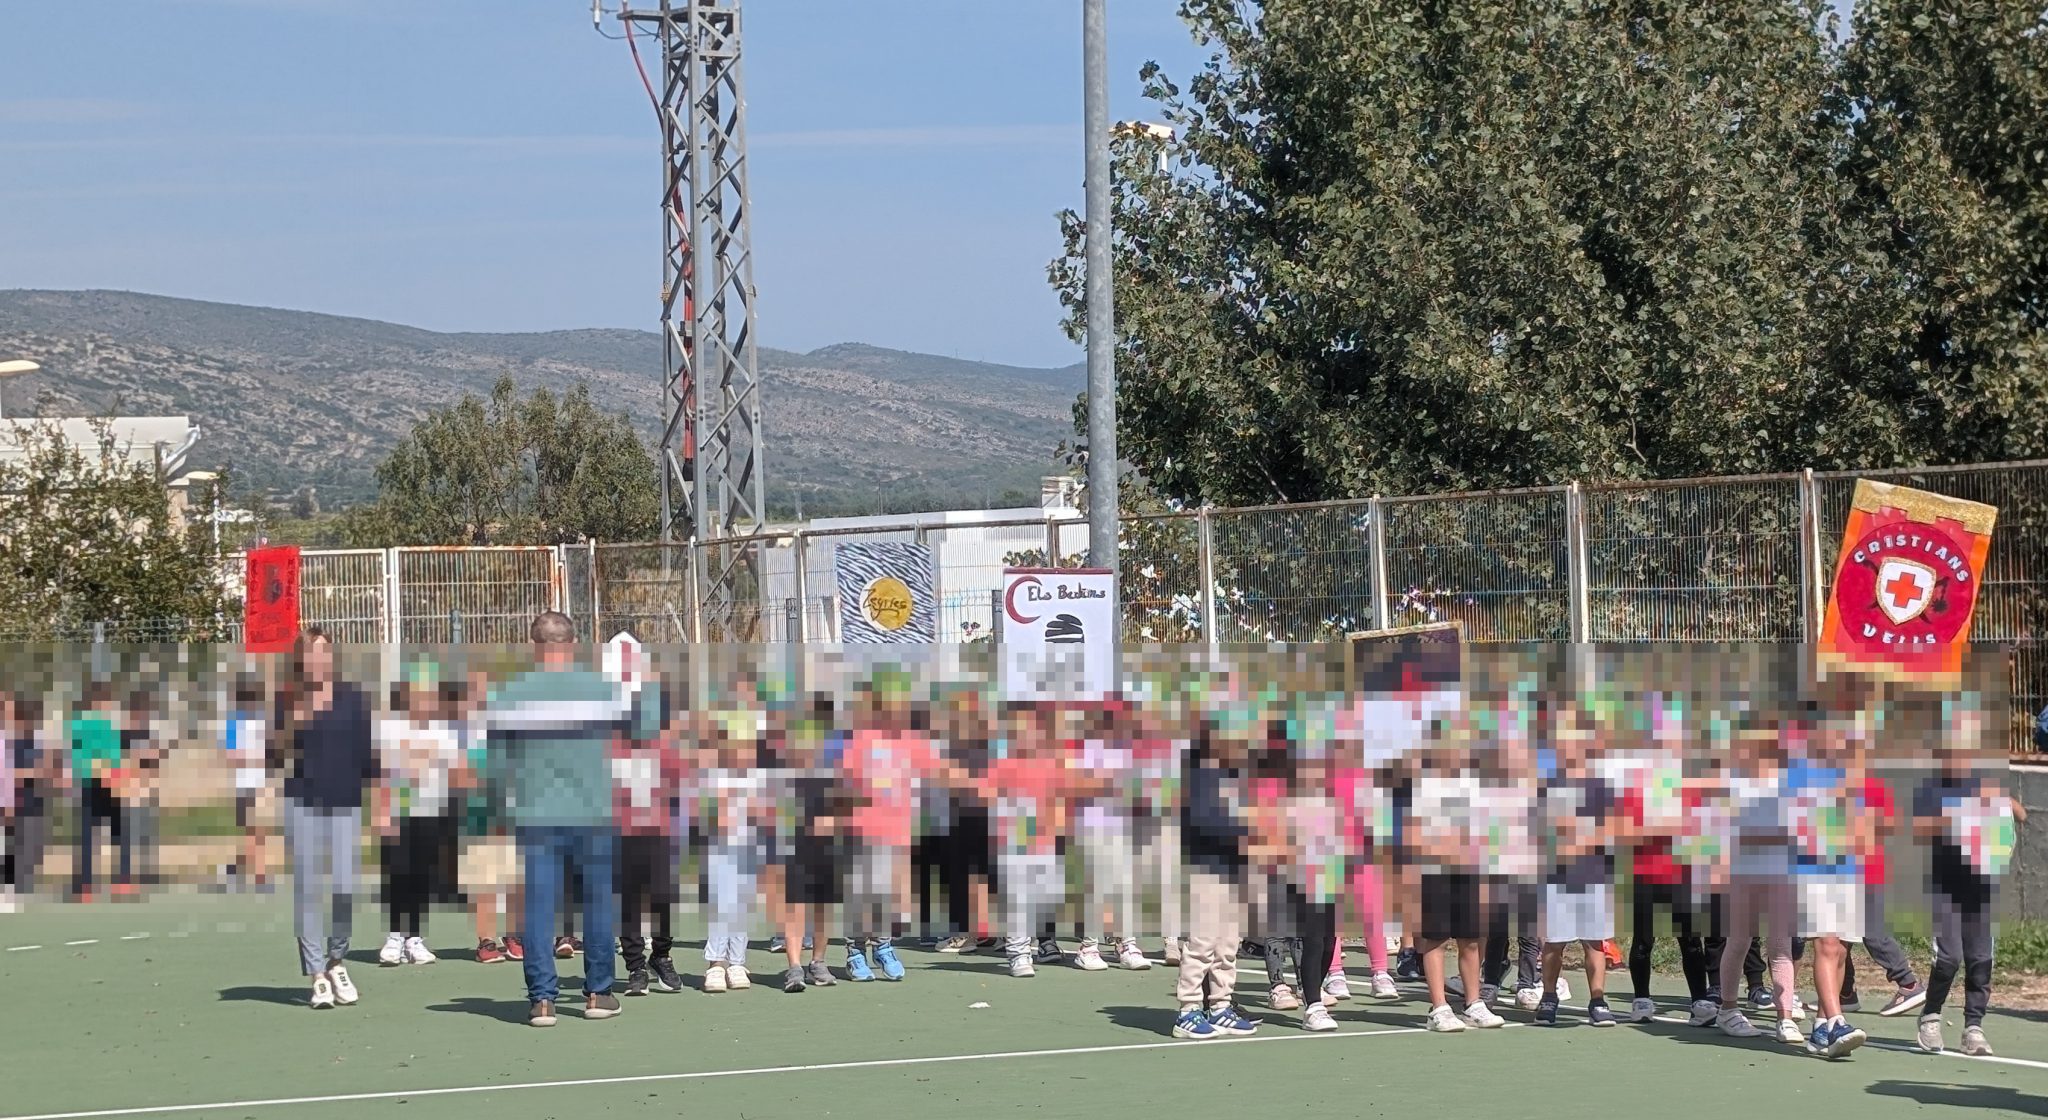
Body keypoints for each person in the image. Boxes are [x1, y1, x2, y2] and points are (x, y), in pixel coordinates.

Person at [483, 611, 647, 1027]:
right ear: (573, 645)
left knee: (537, 908)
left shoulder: (511, 693)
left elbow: (497, 763)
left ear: (533, 646)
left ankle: (542, 1000)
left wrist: (499, 812)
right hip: (592, 812)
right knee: (597, 904)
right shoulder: (601, 689)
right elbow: (642, 729)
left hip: (536, 814)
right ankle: (598, 993)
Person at [276, 627, 379, 1010]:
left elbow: (367, 754)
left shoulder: (352, 697)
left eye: (323, 653)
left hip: (345, 803)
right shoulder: (288, 700)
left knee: (344, 888)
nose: (317, 661)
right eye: (310, 654)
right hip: (303, 803)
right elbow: (273, 754)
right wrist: (292, 723)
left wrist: (380, 802)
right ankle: (317, 974)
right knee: (307, 890)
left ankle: (337, 961)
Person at [1913, 698, 2016, 1057]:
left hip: (1981, 888)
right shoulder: (1931, 787)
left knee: (1980, 958)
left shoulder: (1985, 784)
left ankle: (1974, 1027)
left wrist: (2000, 802)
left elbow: (2016, 816)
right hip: (1945, 886)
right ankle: (1930, 1015)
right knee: (1949, 957)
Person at [1171, 698, 1263, 1039]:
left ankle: (1221, 1005)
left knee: (1227, 944)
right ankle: (1188, 1009)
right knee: (1203, 940)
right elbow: (1201, 820)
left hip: (1234, 868)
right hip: (1205, 866)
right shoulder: (1197, 771)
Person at [1534, 707, 1620, 1027]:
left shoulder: (1602, 785)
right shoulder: (1548, 783)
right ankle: (1549, 997)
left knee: (1595, 941)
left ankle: (1598, 1000)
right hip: (1557, 876)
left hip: (1594, 874)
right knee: (1554, 942)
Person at [374, 666, 463, 967]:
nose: (423, 700)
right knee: (398, 873)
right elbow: (383, 773)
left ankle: (414, 938)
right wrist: (382, 811)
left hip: (432, 812)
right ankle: (394, 937)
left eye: (428, 694)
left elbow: (453, 769)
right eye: (417, 693)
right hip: (398, 812)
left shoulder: (443, 730)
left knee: (422, 876)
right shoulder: (391, 727)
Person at [67, 682, 131, 901]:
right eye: (107, 702)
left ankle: (103, 884)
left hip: (105, 783)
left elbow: (114, 758)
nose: (109, 706)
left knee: (105, 836)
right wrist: (107, 775)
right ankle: (100, 884)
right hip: (96, 784)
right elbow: (83, 758)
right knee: (99, 836)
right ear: (97, 702)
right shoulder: (88, 725)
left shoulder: (103, 726)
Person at [226, 675, 275, 893]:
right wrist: (253, 758)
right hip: (245, 784)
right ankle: (257, 875)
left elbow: (272, 752)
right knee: (253, 833)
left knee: (259, 833)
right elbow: (232, 756)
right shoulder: (234, 724)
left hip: (261, 783)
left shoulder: (263, 723)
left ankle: (239, 869)